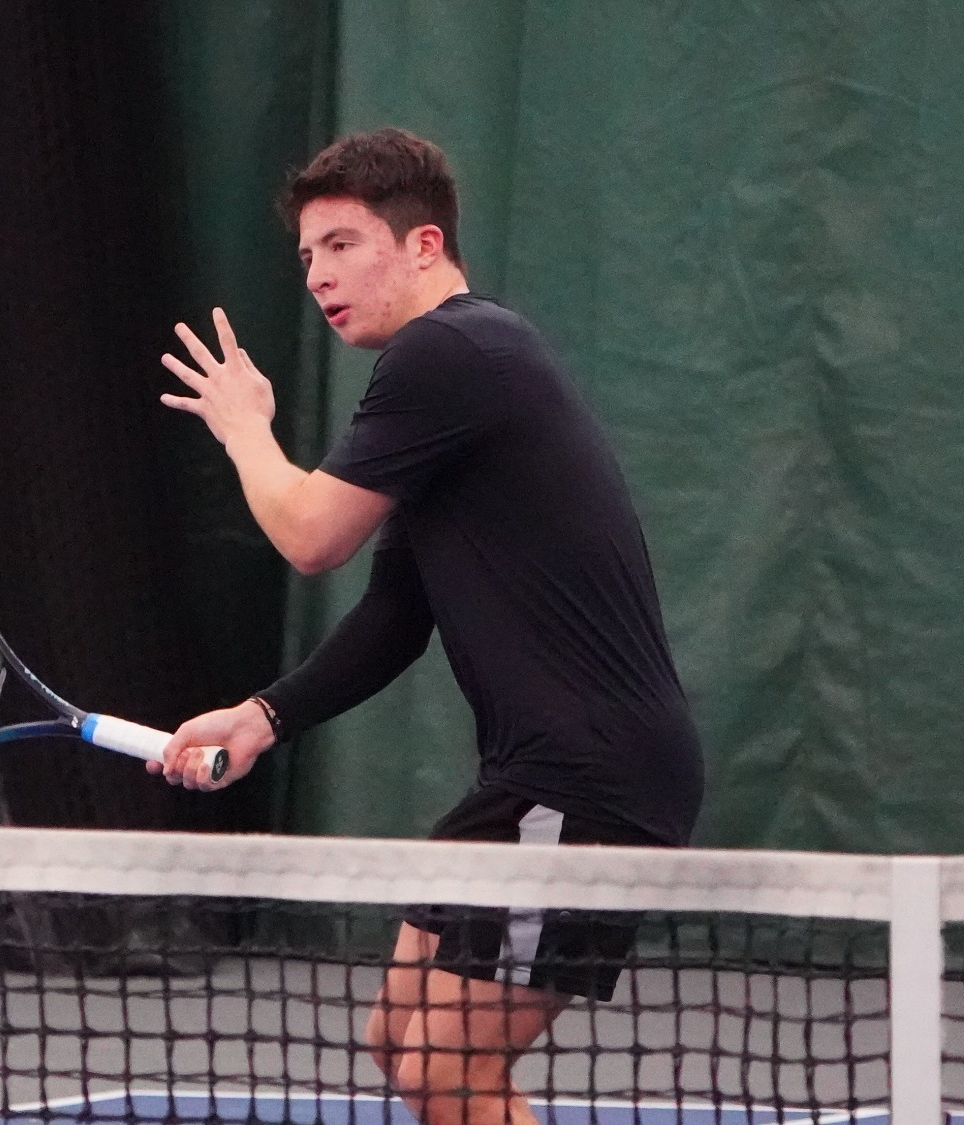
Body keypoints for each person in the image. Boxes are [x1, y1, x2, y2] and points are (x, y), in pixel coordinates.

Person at [151, 127, 704, 1125]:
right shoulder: (451, 377)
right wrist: (262, 716)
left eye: (342, 244)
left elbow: (311, 537)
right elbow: (397, 616)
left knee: (446, 1070)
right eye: (306, 254)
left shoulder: (451, 350)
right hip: (530, 777)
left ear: (421, 247)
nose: (317, 274)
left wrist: (243, 429)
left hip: (588, 777)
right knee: (399, 1043)